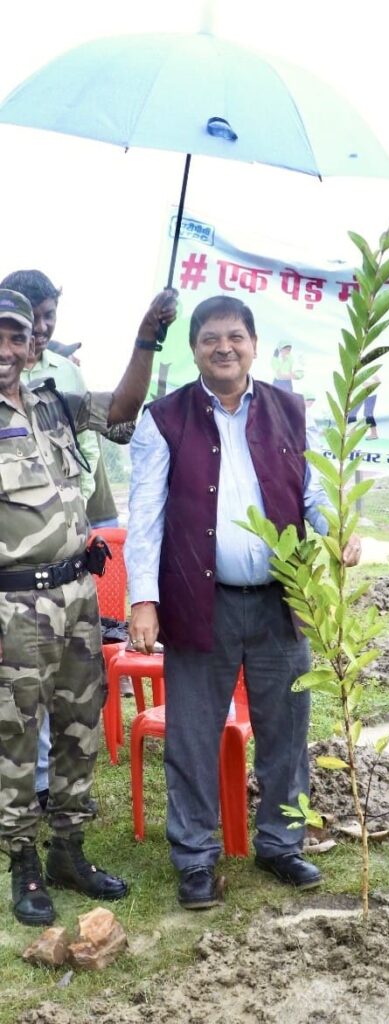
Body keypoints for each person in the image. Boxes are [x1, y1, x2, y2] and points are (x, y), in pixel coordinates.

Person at [125, 295, 361, 911]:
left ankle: (281, 844)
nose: (223, 347)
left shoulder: (291, 411)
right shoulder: (164, 418)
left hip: (284, 601)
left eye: (235, 337)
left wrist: (339, 529)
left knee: (287, 728)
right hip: (199, 602)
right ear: (194, 348)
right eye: (209, 338)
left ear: (254, 345)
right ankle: (196, 857)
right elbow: (145, 517)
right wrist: (143, 601)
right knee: (193, 734)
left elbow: (316, 493)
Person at [0, 284, 176, 926]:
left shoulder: (53, 404)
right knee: (14, 740)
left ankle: (69, 852)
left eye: (17, 336)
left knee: (78, 731)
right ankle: (24, 864)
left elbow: (126, 407)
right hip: (11, 607)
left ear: (32, 343)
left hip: (76, 597)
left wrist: (145, 337)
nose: (8, 348)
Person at [0, 270, 122, 530]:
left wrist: (78, 503)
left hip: (84, 515)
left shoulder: (68, 370)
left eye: (49, 315)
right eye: (33, 316)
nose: (42, 326)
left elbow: (87, 446)